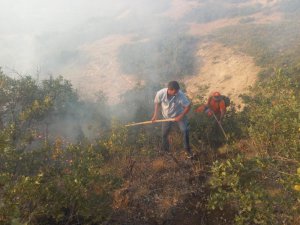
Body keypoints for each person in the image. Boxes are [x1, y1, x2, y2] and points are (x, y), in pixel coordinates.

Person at [151, 81, 193, 157]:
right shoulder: (160, 93)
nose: (177, 93)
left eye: (177, 91)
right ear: (170, 90)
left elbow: (188, 106)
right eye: (175, 92)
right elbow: (157, 102)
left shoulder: (180, 95)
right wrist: (155, 115)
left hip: (179, 115)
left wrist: (180, 116)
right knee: (164, 134)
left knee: (185, 130)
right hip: (166, 117)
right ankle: (166, 151)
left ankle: (187, 150)